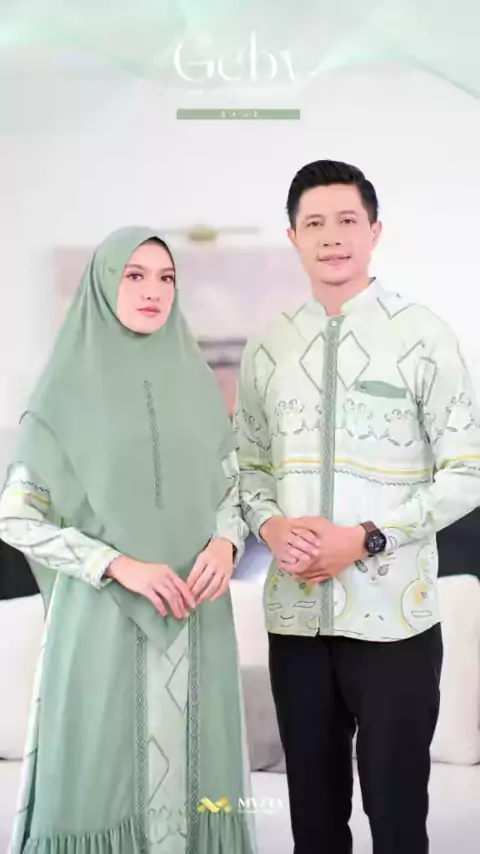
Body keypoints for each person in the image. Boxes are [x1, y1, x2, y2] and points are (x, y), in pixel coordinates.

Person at [234, 160, 480, 854]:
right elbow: (247, 469)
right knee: (313, 823)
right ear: (293, 237)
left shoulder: (424, 336)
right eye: (314, 223)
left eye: (347, 220)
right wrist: (271, 525)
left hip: (396, 619)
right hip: (295, 619)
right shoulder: (267, 347)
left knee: (397, 820)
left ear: (375, 231)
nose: (332, 236)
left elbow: (467, 471)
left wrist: (366, 537)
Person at [0, 227, 256, 854]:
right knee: (99, 780)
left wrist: (225, 545)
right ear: (103, 285)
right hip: (102, 620)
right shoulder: (62, 395)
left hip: (198, 616)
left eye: (166, 277)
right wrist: (118, 564)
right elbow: (16, 519)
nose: (153, 291)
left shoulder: (199, 386)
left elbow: (235, 492)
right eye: (134, 275)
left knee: (201, 786)